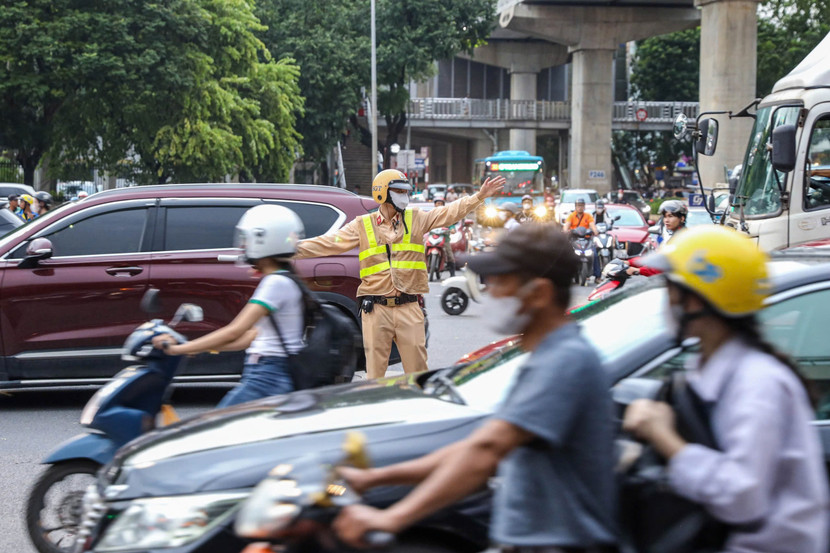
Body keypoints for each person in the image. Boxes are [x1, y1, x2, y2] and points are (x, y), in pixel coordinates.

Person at [332, 224, 618, 552]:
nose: (488, 290)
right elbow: (474, 446)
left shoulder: (564, 360)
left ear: (539, 293)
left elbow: (486, 452)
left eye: (500, 281)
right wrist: (375, 478)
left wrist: (392, 518)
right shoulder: (544, 355)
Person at [623, 225, 829, 553]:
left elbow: (743, 496)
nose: (667, 300)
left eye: (671, 288)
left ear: (696, 300)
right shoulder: (708, 368)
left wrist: (664, 437)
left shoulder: (758, 382)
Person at [294, 170, 506, 379]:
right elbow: (329, 243)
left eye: (405, 191)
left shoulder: (416, 218)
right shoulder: (362, 225)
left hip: (409, 307)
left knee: (417, 373)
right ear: (381, 193)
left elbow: (448, 213)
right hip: (376, 310)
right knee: (375, 374)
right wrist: (291, 248)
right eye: (398, 191)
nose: (404, 196)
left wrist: (479, 196)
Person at [151, 204, 306, 407]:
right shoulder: (286, 280)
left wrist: (179, 349)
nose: (243, 245)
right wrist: (198, 347)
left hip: (268, 375)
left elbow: (235, 331)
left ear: (262, 240)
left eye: (246, 239)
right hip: (272, 372)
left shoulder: (275, 283)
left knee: (216, 423)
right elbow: (251, 337)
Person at [626, 200, 687, 277]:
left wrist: (638, 270)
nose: (666, 220)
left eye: (670, 216)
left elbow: (663, 265)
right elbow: (656, 258)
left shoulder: (683, 239)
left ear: (682, 219)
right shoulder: (673, 236)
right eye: (665, 217)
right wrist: (629, 262)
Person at [432, 197, 456, 277]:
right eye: (437, 203)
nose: (439, 205)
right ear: (435, 205)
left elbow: (451, 225)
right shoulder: (430, 215)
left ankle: (452, 274)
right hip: (432, 237)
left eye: (441, 203)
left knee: (450, 255)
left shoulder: (447, 216)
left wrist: (452, 229)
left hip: (444, 239)